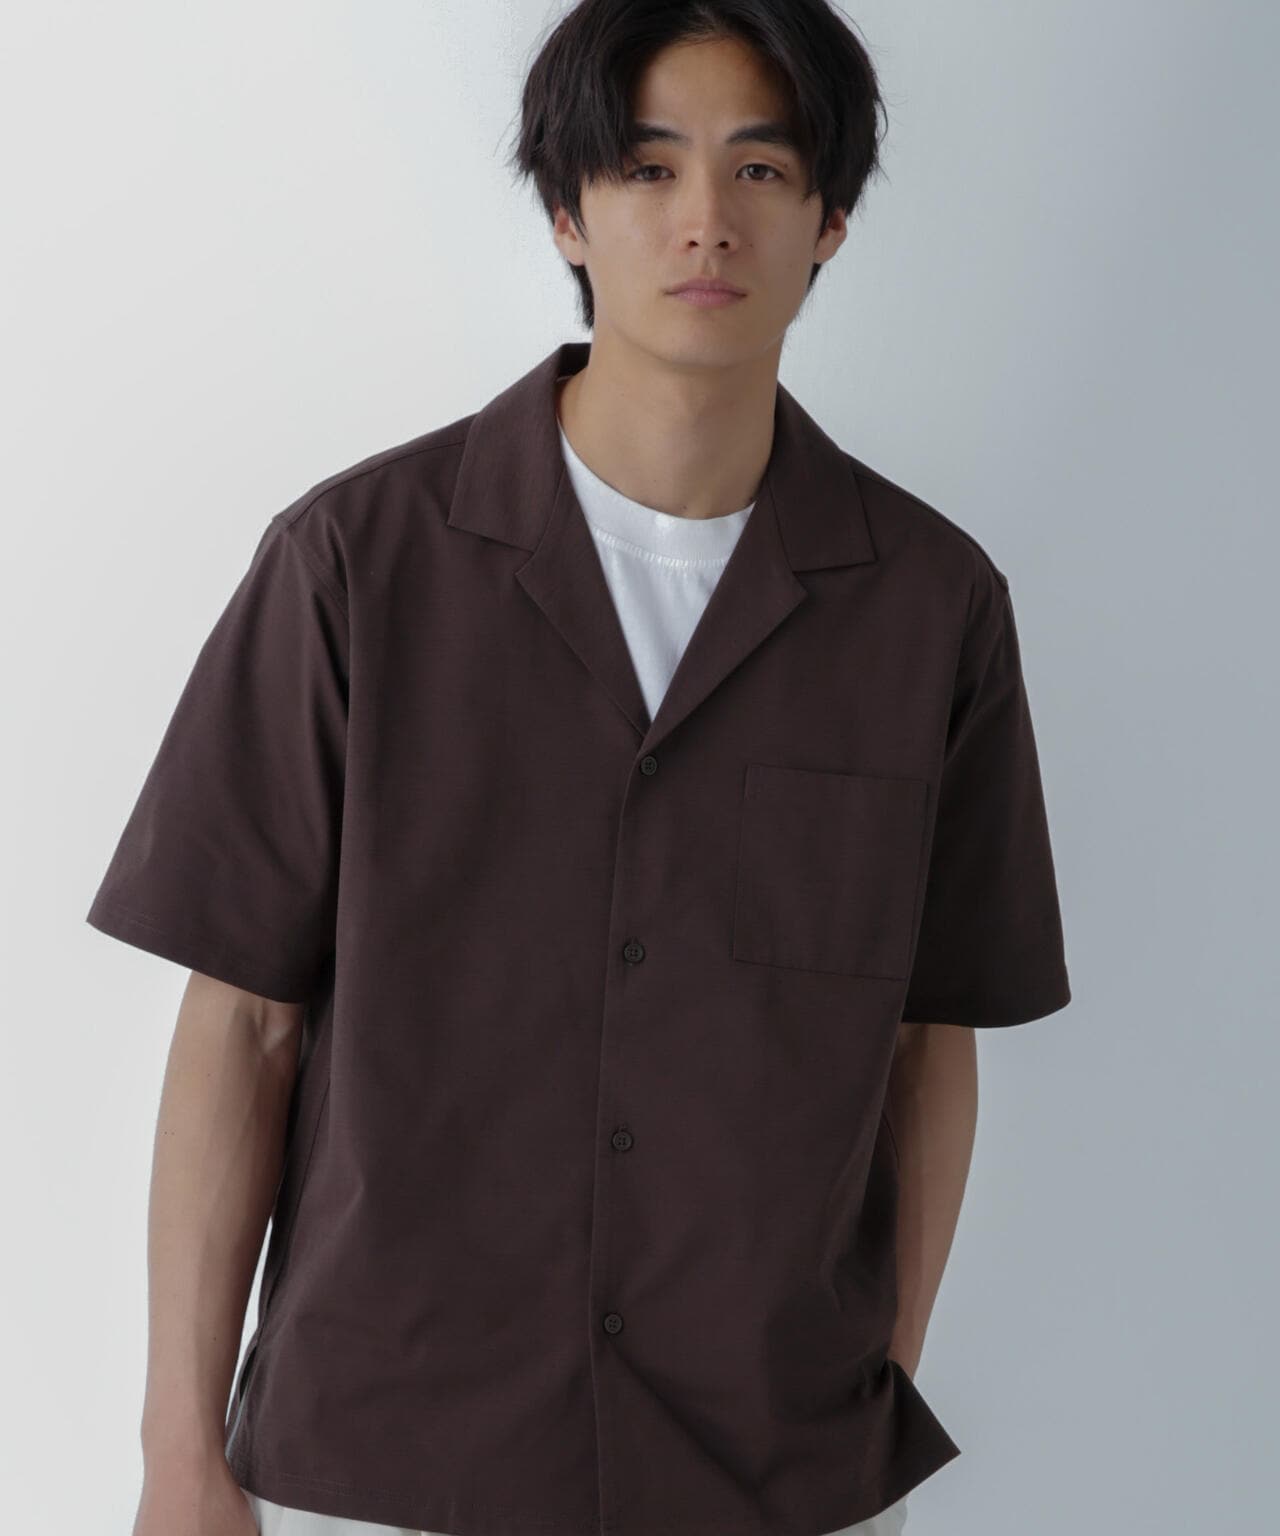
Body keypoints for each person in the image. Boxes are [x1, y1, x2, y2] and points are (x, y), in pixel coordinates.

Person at [92, 4, 1072, 1535]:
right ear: (566, 209)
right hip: (384, 1463)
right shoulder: (354, 566)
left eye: (760, 169)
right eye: (647, 167)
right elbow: (242, 1022)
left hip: (773, 1473)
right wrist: (178, 1458)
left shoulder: (931, 607)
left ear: (831, 217)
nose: (706, 220)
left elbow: (925, 1041)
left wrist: (869, 1388)